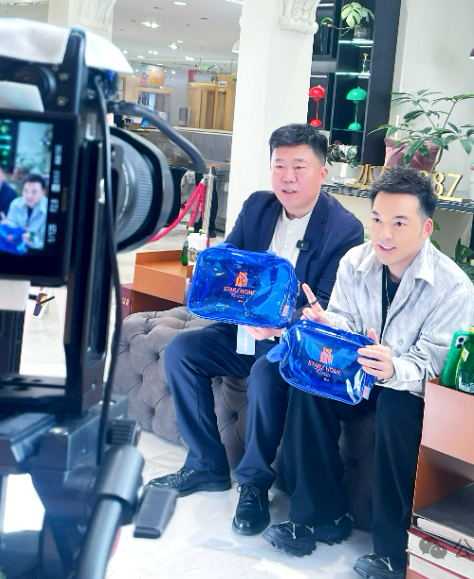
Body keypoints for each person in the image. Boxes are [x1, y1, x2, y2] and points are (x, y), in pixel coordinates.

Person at [261, 167, 474, 579]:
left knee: (397, 407)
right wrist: (328, 324)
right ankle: (317, 517)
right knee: (309, 387)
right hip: (360, 375)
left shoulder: (452, 287)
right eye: (377, 219)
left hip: (411, 388)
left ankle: (392, 551)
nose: (384, 234)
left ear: (426, 228)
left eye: (399, 223)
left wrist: (394, 367)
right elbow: (345, 322)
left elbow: (434, 366)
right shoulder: (355, 262)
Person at [147, 124, 364, 536]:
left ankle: (254, 486)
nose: (287, 177)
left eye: (299, 166)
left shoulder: (344, 229)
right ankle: (206, 464)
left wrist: (280, 324)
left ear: (322, 172)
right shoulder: (258, 206)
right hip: (241, 330)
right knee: (181, 352)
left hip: (291, 342)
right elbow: (228, 264)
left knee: (266, 372)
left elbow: (325, 302)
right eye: (279, 165)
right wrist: (227, 298)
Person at [3, 174, 48, 250]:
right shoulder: (15, 204)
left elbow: (47, 237)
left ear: (43, 192)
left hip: (39, 251)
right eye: (26, 191)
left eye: (34, 192)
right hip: (16, 246)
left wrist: (32, 239)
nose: (29, 195)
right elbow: (11, 225)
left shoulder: (48, 209)